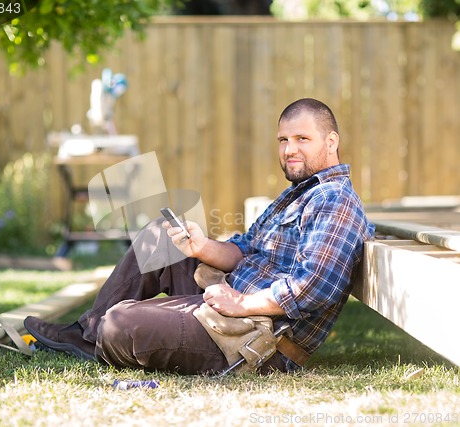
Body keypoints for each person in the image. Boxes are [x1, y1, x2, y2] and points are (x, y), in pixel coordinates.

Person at [24, 98, 374, 375]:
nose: (289, 149)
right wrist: (202, 247)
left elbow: (312, 287)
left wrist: (241, 304)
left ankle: (94, 334)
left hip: (253, 336)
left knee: (119, 324)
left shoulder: (334, 200)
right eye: (283, 140)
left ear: (331, 142)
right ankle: (85, 335)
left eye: (302, 139)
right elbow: (245, 249)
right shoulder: (297, 194)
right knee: (156, 240)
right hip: (228, 299)